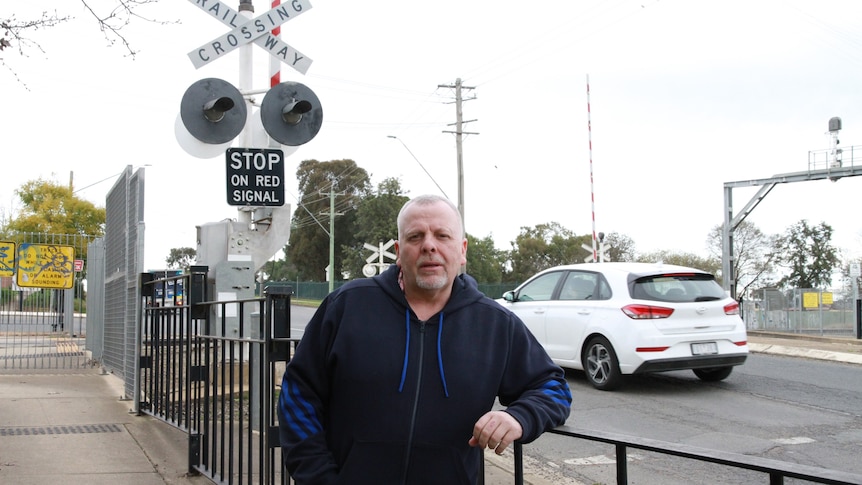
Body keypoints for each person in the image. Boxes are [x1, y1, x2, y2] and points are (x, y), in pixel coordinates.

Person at [278, 194, 572, 484]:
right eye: (415, 236)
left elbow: (553, 388)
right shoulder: (346, 306)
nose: (429, 245)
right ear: (398, 249)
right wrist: (320, 477)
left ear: (462, 250)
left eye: (442, 235)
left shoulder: (496, 324)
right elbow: (299, 392)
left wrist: (520, 417)